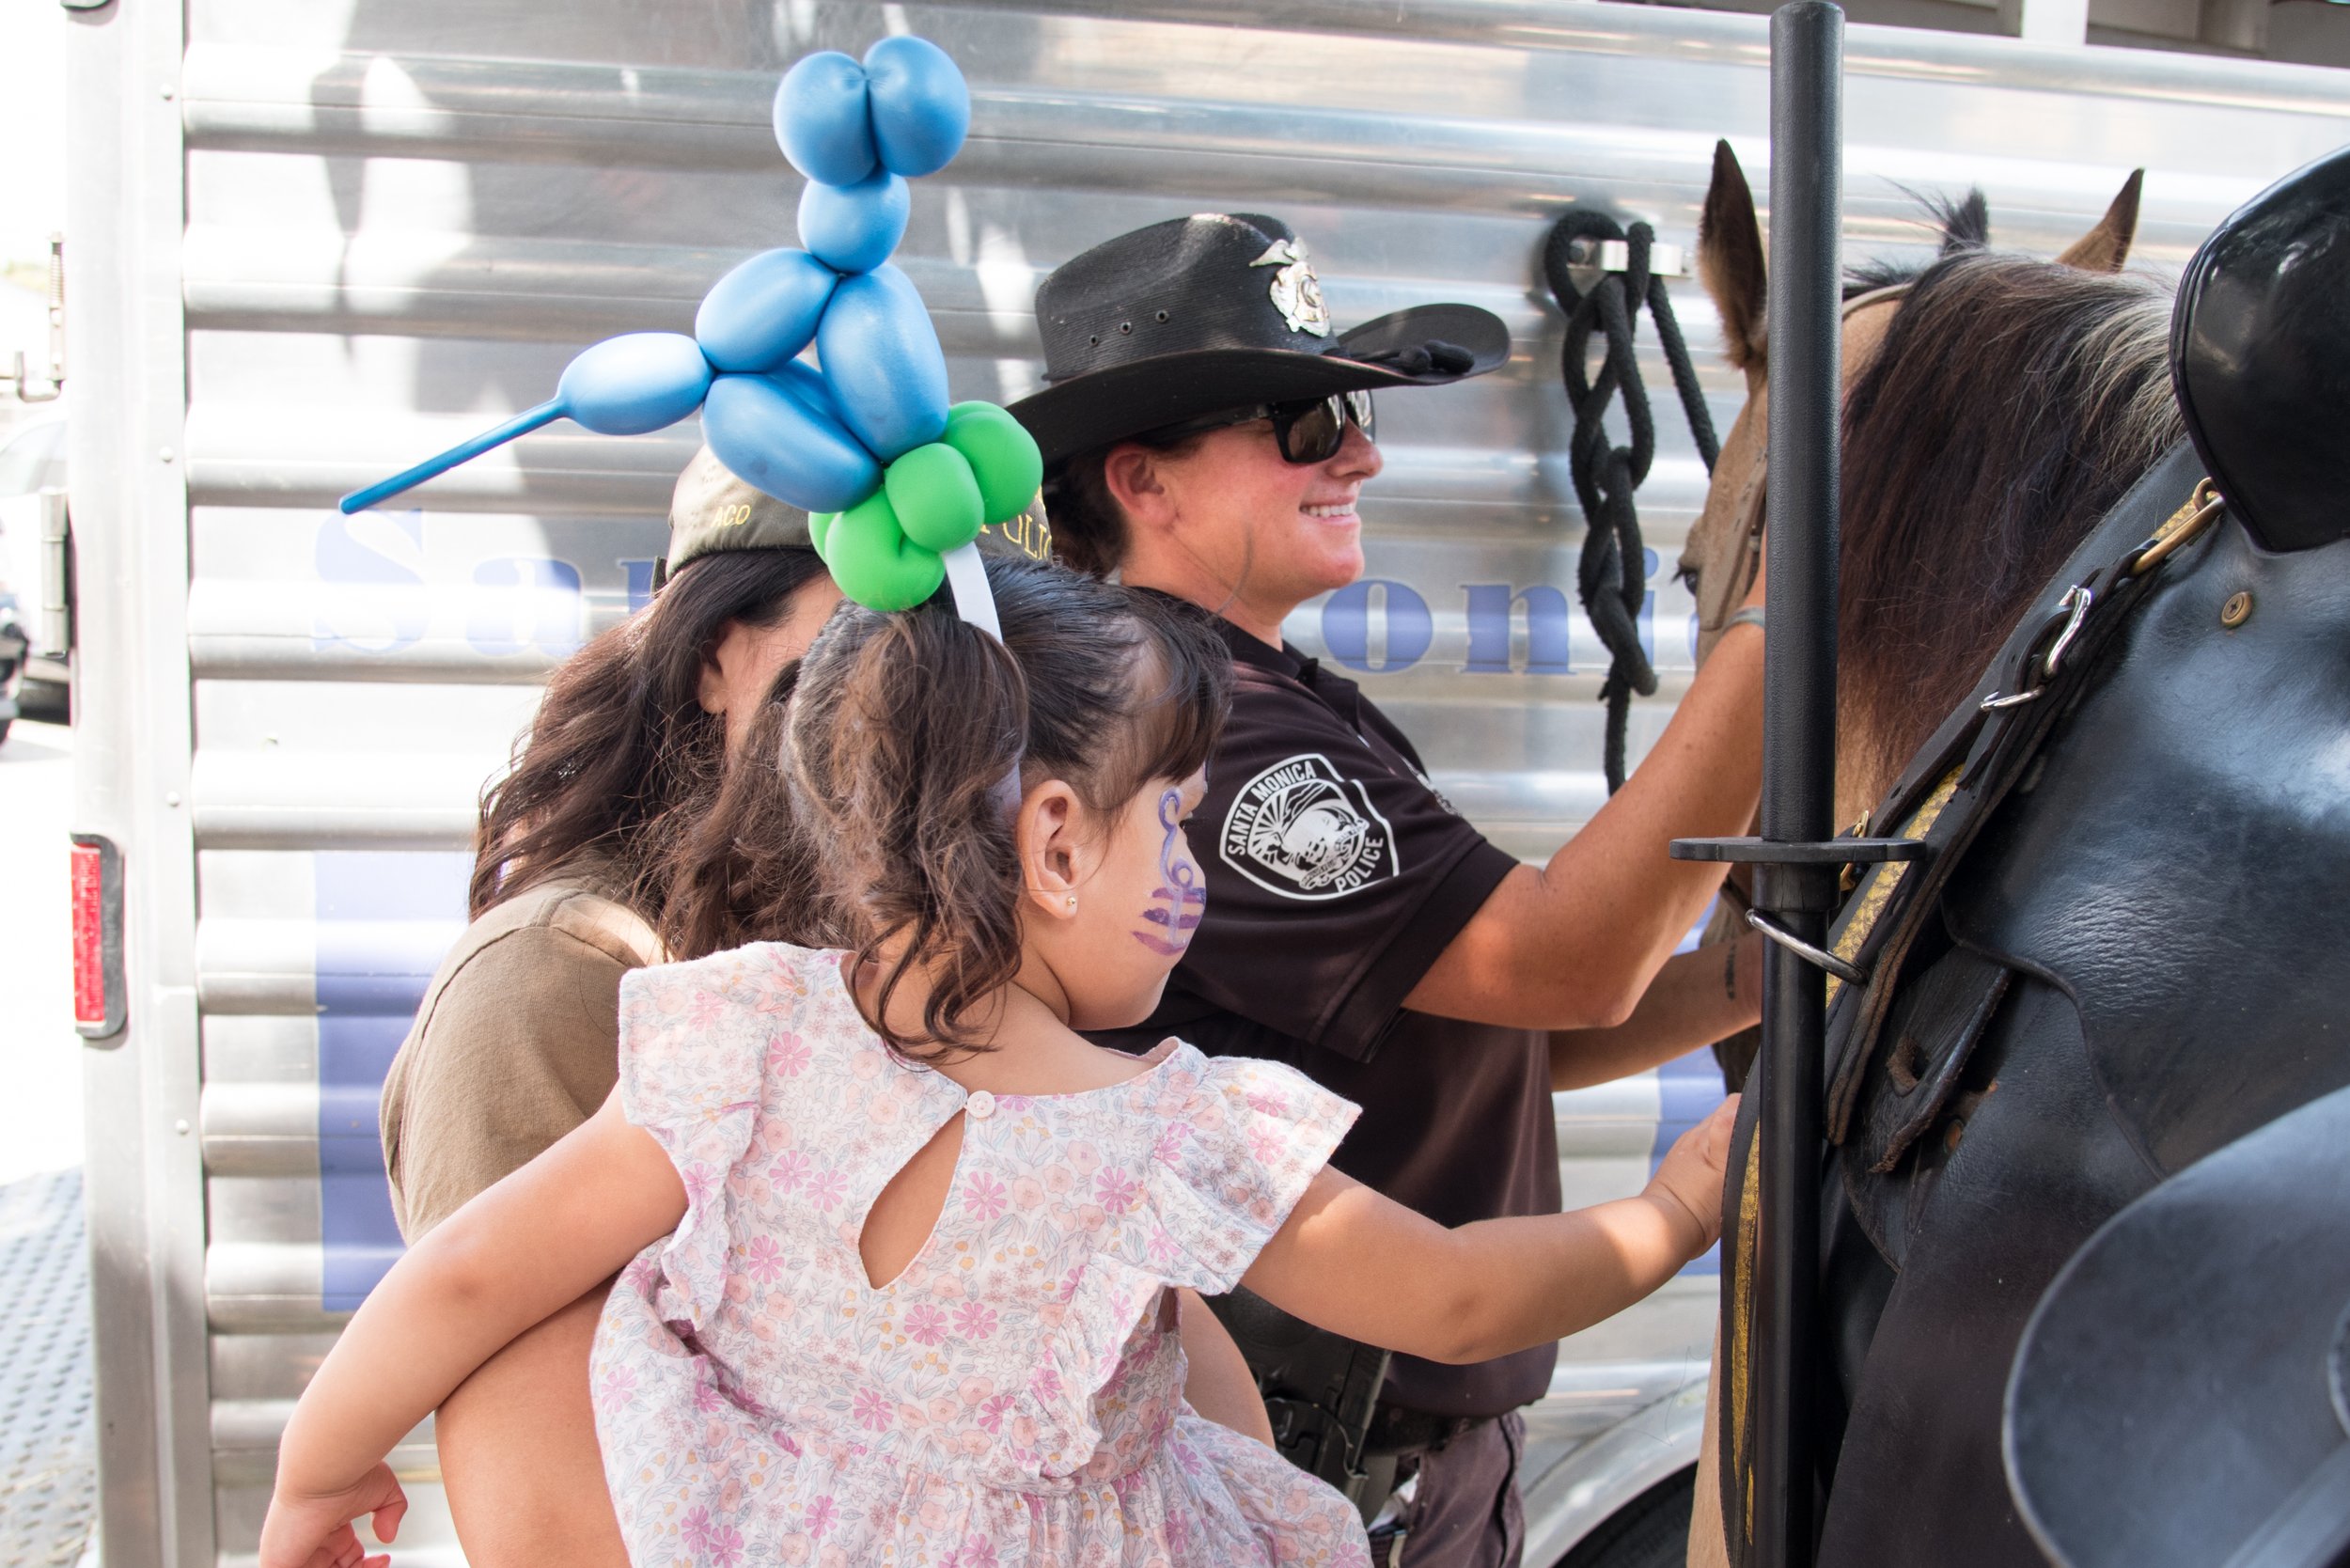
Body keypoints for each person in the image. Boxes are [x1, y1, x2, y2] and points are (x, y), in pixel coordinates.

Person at [267, 557, 1734, 1568]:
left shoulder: (746, 1032)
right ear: (1051, 843)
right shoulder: (1165, 1134)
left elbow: (468, 1275)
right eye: (1172, 814)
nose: (1185, 860)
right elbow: (1461, 1295)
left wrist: (318, 1467)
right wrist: (1673, 1209)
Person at [1008, 212, 1769, 1565]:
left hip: (1401, 1454)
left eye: (1352, 414)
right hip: (1320, 1465)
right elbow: (1561, 962)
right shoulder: (1197, 731)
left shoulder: (1253, 690)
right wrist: (1778, 643)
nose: (1360, 451)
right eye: (1304, 424)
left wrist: (1731, 985)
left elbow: (1480, 1027)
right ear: (1146, 481)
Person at [377, 454, 1270, 1566]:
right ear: (713, 654)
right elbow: (552, 1523)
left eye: (985, 664)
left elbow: (1155, 1351)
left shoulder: (934, 952)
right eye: (873, 634)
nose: (932, 702)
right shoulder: (563, 978)